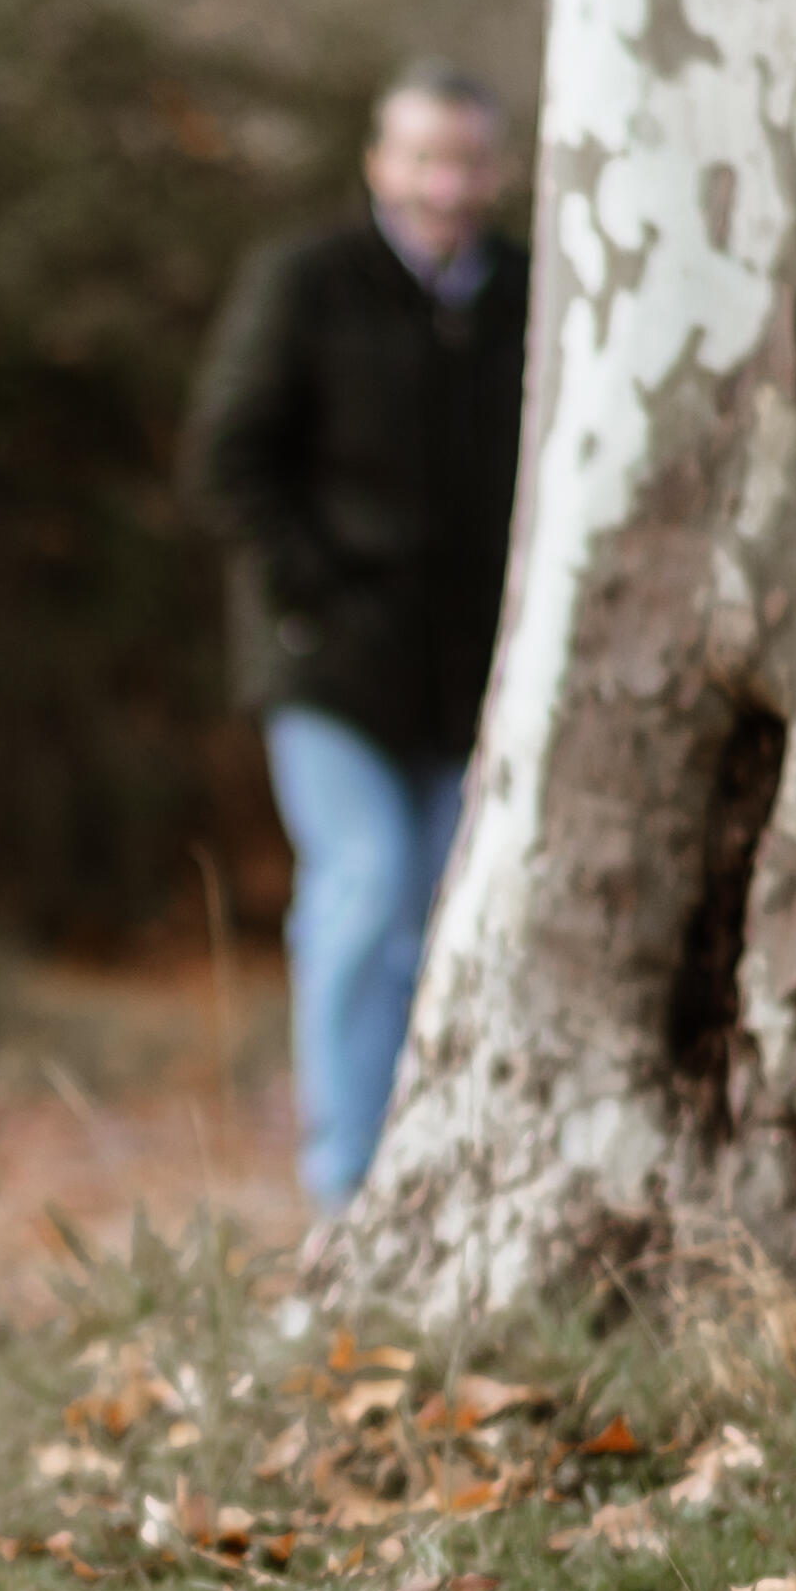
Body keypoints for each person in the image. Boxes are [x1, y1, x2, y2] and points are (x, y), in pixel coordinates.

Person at [185, 61, 531, 1212]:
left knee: (444, 917)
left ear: (498, 168)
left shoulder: (534, 292)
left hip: (474, 677)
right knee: (364, 886)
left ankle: (429, 1176)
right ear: (380, 162)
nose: (446, 183)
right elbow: (228, 456)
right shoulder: (305, 283)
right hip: (328, 665)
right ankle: (343, 1185)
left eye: (467, 160)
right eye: (424, 157)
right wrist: (316, 589)